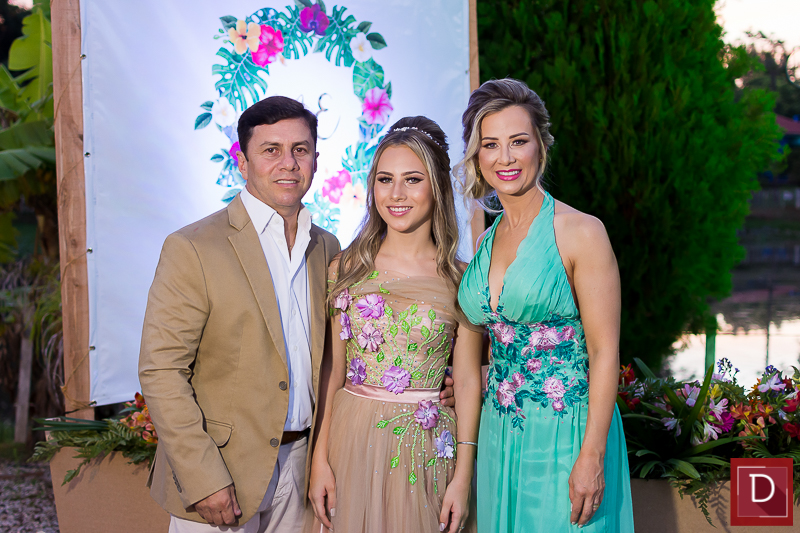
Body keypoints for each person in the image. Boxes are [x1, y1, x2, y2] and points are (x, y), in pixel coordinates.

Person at [138, 97, 456, 533]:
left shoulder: (329, 250)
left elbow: (355, 348)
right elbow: (161, 370)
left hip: (308, 470)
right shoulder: (194, 247)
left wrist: (435, 380)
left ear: (315, 161)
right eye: (271, 150)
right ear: (242, 162)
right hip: (223, 474)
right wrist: (203, 477)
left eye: (300, 150)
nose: (287, 163)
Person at [456, 79, 635, 532]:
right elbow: (489, 344)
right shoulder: (484, 240)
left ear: (541, 144)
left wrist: (592, 454)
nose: (506, 158)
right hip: (499, 435)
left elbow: (605, 352)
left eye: (518, 141)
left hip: (566, 435)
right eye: (491, 145)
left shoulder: (582, 232)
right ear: (477, 155)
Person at [307, 117, 484, 533]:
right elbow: (333, 371)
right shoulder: (345, 268)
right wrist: (319, 459)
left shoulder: (463, 279)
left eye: (412, 180)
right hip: (351, 440)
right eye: (385, 180)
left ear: (437, 188)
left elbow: (467, 382)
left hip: (426, 448)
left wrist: (463, 477)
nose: (397, 194)